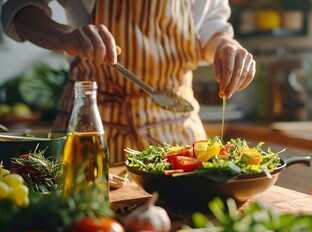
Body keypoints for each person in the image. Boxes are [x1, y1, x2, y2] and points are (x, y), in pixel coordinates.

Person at [1, 0, 256, 162]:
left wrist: (225, 45)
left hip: (178, 136)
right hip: (90, 127)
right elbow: (19, 10)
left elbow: (211, 26)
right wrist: (65, 37)